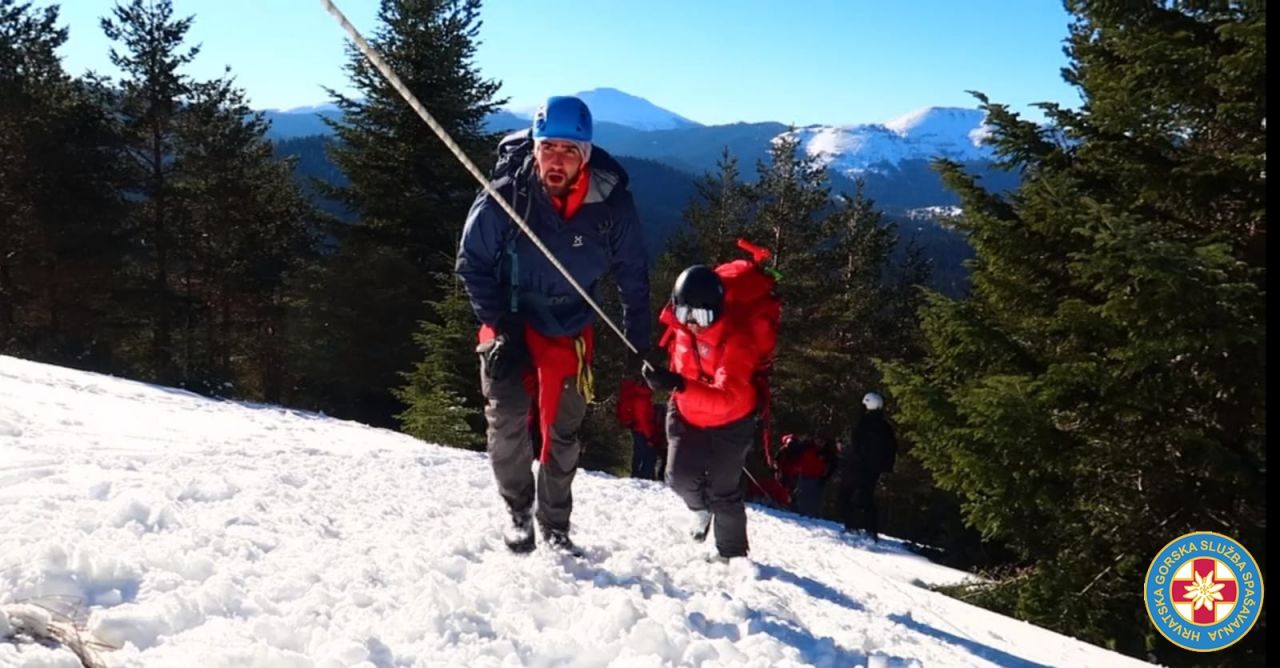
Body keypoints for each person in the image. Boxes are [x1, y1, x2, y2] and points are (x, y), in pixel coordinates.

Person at [456, 95, 650, 555]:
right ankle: (518, 511)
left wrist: (638, 353)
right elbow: (472, 263)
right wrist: (497, 323)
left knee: (562, 432)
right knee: (507, 422)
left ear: (585, 155)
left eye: (568, 150)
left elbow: (633, 280)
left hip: (569, 326)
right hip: (509, 319)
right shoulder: (507, 194)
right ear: (535, 148)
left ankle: (556, 525)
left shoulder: (611, 205)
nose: (556, 161)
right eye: (548, 148)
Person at [643, 260, 777, 563]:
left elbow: (727, 397)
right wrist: (659, 371)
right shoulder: (681, 328)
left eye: (701, 315)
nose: (692, 322)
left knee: (723, 490)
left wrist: (678, 384)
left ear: (717, 309)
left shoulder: (737, 340)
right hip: (687, 411)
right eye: (684, 313)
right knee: (677, 477)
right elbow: (679, 360)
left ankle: (732, 556)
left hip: (732, 420)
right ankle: (700, 510)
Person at [841, 391, 898, 542]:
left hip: (860, 465)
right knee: (867, 496)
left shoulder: (864, 423)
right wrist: (887, 467)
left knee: (854, 495)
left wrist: (850, 459)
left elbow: (856, 444)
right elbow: (891, 448)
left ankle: (854, 527)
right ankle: (869, 529)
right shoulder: (885, 426)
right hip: (874, 468)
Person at [617, 377, 659, 479]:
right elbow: (643, 420)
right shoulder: (642, 399)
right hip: (642, 432)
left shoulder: (642, 396)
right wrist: (650, 436)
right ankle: (642, 477)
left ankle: (638, 476)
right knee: (647, 455)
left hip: (639, 431)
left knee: (639, 455)